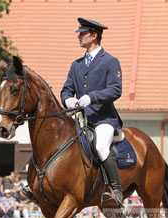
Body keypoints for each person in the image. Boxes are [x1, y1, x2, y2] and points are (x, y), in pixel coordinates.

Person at [61, 17, 123, 207]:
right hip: (80, 118)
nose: (79, 36)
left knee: (101, 147)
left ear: (94, 35)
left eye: (83, 33)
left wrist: (91, 97)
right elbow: (66, 89)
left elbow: (115, 90)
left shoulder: (111, 61)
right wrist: (67, 99)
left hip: (103, 118)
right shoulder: (76, 64)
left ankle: (116, 189)